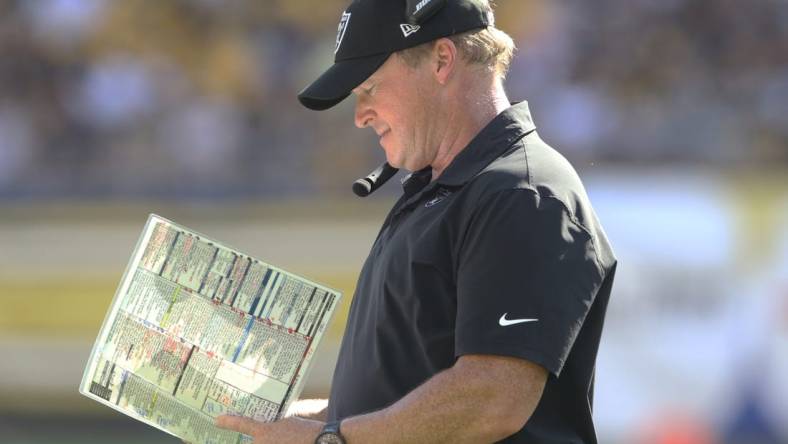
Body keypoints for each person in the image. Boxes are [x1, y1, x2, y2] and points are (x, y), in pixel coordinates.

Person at [216, 0, 617, 442]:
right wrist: (304, 424)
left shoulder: (520, 193)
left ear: (442, 60)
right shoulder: (445, 190)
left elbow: (492, 397)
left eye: (369, 87)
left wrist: (329, 440)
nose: (359, 115)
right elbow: (400, 400)